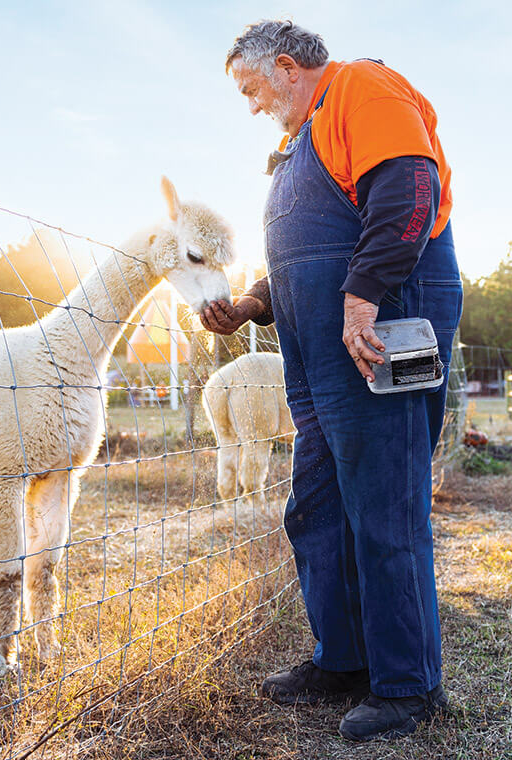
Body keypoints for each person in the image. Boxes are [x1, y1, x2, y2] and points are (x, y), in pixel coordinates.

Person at [202, 20, 462, 741]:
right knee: (316, 508)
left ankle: (407, 687)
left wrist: (362, 296)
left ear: (286, 68)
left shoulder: (361, 86)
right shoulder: (298, 146)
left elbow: (411, 190)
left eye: (251, 89)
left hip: (376, 336)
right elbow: (306, 252)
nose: (252, 106)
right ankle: (341, 659)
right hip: (318, 358)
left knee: (384, 509)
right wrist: (253, 303)